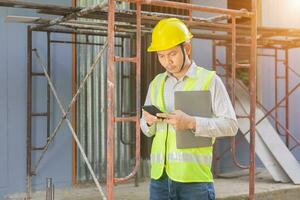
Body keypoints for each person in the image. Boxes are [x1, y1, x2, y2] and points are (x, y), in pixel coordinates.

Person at [140, 18, 238, 200]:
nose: (167, 62)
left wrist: (192, 122)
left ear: (187, 48)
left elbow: (231, 125)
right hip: (159, 180)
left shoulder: (209, 81)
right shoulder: (156, 84)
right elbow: (146, 130)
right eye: (161, 56)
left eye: (172, 54)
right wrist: (147, 121)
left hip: (194, 182)